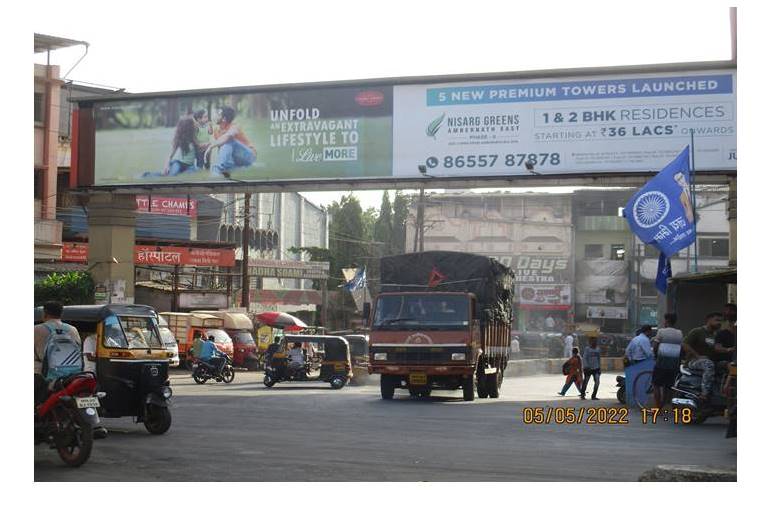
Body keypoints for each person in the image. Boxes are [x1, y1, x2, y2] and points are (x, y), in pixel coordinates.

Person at [682, 312, 725, 401]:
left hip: (711, 360)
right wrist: (698, 356)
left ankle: (723, 394)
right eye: (716, 320)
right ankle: (704, 394)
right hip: (693, 361)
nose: (719, 323)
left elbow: (718, 349)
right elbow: (685, 344)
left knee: (727, 365)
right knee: (708, 364)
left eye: (721, 321)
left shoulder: (716, 335)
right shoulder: (697, 331)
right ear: (708, 320)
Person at [206, 106, 257, 177]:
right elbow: (222, 150)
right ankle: (231, 168)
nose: (216, 116)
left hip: (249, 156)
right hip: (236, 159)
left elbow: (227, 137)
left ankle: (217, 169)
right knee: (228, 163)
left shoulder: (235, 127)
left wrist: (211, 146)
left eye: (218, 114)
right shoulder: (216, 130)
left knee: (228, 140)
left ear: (224, 119)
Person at [651, 313, 683, 409]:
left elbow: (655, 347)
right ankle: (663, 405)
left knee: (656, 384)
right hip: (674, 363)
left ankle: (657, 407)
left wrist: (655, 356)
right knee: (668, 386)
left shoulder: (661, 332)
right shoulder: (679, 333)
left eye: (664, 320)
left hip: (662, 362)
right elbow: (681, 348)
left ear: (667, 320)